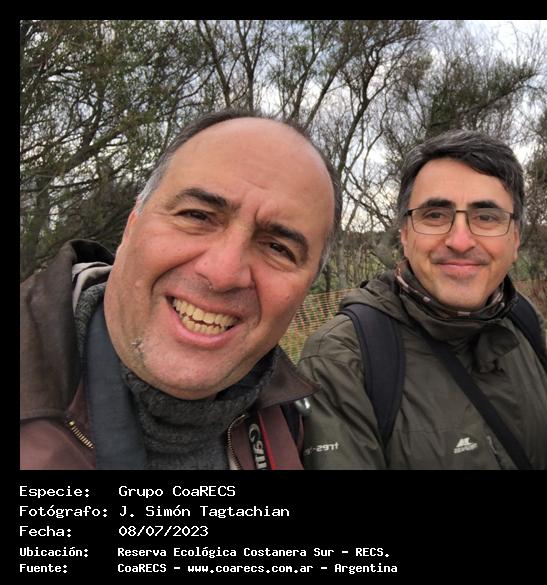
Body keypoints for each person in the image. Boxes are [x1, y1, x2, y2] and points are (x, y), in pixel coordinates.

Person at [20, 109, 341, 470]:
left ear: (305, 288)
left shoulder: (291, 419)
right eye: (197, 216)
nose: (222, 274)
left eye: (278, 248)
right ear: (132, 225)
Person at [297, 130, 547, 469]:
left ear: (515, 239)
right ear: (405, 234)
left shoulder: (523, 321)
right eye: (435, 215)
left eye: (486, 217)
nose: (460, 241)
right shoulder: (343, 360)